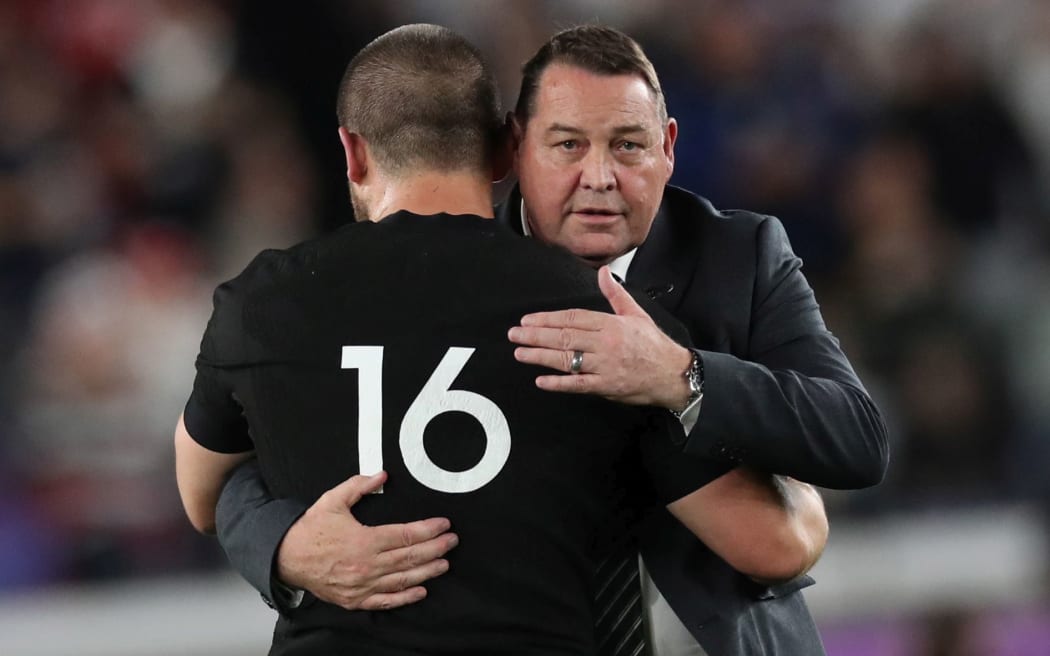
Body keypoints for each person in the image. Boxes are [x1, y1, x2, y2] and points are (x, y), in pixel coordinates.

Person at [213, 24, 882, 655]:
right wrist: (283, 546)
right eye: (567, 145)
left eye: (628, 144)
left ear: (669, 146)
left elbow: (855, 438)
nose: (599, 177)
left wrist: (682, 376)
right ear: (514, 148)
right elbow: (252, 453)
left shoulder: (739, 256)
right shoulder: (438, 276)